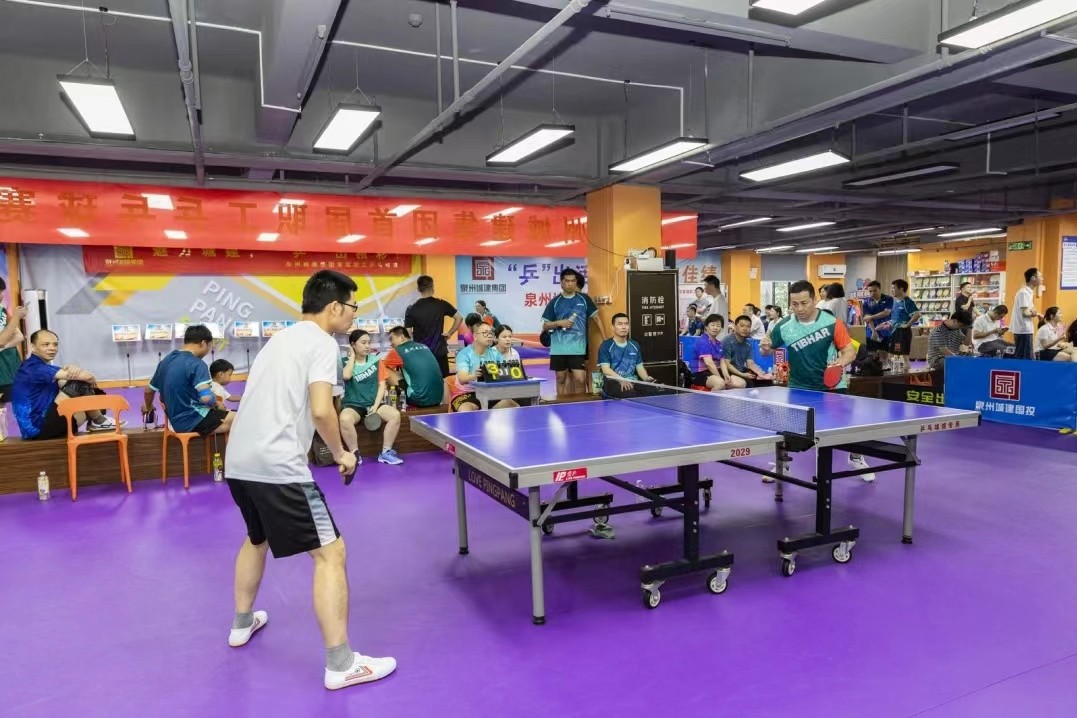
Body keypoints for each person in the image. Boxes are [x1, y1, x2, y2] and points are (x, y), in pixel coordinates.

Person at [223, 270, 395, 691]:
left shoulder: (279, 339)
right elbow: (321, 410)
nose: (354, 315)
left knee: (257, 537)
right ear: (334, 306)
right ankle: (341, 664)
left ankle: (241, 624)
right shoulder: (322, 343)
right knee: (331, 553)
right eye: (353, 307)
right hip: (278, 464)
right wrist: (342, 453)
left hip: (240, 459)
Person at [762, 280, 874, 482]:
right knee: (790, 432)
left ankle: (856, 457)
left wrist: (839, 364)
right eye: (794, 304)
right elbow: (768, 350)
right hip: (799, 387)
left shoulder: (832, 323)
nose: (799, 308)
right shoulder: (784, 325)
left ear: (814, 300)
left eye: (804, 303)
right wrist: (765, 347)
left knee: (847, 427)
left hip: (832, 387)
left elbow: (849, 352)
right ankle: (782, 465)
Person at [10, 329, 123, 440]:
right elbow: (86, 377)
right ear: (33, 347)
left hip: (39, 427)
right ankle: (99, 420)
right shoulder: (34, 368)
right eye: (46, 344)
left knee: (94, 399)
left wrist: (73, 368)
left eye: (55, 344)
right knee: (78, 384)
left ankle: (97, 421)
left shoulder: (38, 366)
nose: (52, 348)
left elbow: (67, 377)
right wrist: (89, 377)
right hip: (39, 428)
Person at [145, 325, 233, 436]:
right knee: (239, 419)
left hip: (174, 424)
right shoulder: (197, 364)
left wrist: (148, 407)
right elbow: (206, 398)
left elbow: (148, 391)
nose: (207, 351)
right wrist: (217, 403)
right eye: (209, 346)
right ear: (203, 343)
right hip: (194, 419)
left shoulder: (166, 361)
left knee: (227, 421)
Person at [339, 329, 404, 466]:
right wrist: (352, 357)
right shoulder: (344, 362)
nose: (367, 346)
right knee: (344, 419)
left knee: (395, 415)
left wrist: (375, 406)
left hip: (374, 403)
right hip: (354, 405)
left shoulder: (376, 361)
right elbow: (346, 376)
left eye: (369, 342)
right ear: (353, 344)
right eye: (363, 343)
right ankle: (355, 454)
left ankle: (386, 452)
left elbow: (382, 385)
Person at [540, 268, 602, 395]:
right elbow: (545, 326)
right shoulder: (555, 302)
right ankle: (561, 404)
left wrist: (605, 338)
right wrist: (559, 323)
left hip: (577, 348)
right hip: (559, 349)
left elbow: (597, 318)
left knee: (580, 378)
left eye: (573, 281)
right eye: (567, 281)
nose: (570, 284)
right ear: (561, 282)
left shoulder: (584, 299)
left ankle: (581, 403)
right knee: (561, 378)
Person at [405, 275, 463, 378]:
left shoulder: (411, 308)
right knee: (444, 381)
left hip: (421, 353)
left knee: (423, 380)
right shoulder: (441, 304)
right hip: (439, 351)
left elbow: (408, 333)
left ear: (418, 289)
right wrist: (450, 333)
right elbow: (459, 318)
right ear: (432, 287)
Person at [452, 322, 517, 412]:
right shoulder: (464, 354)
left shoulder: (495, 354)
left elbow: (503, 374)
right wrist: (474, 376)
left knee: (511, 404)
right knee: (465, 410)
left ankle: (486, 415)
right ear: (475, 336)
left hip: (489, 392)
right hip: (467, 393)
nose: (489, 336)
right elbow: (462, 379)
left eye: (491, 333)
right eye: (485, 333)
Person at [382, 326, 449, 408]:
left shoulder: (397, 350)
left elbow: (380, 369)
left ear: (402, 338)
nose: (391, 343)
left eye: (391, 339)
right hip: (438, 398)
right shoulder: (424, 346)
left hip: (418, 398)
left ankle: (392, 402)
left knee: (383, 369)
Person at [597, 313, 655, 394]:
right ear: (613, 327)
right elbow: (606, 370)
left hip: (633, 381)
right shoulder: (606, 345)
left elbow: (639, 367)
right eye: (620, 324)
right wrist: (621, 380)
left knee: (654, 391)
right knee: (629, 392)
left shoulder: (634, 345)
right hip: (613, 382)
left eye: (626, 324)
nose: (624, 327)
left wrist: (647, 379)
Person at [878, 279, 920, 375]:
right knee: (891, 356)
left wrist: (908, 324)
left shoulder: (907, 302)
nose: (891, 290)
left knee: (904, 358)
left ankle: (905, 377)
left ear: (901, 289)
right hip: (894, 332)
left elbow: (917, 314)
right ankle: (892, 376)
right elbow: (895, 319)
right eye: (891, 288)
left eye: (894, 288)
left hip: (902, 333)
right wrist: (885, 324)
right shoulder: (896, 303)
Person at [723, 315, 770, 388]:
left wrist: (761, 374)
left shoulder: (748, 343)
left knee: (767, 382)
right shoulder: (727, 340)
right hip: (728, 372)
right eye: (742, 326)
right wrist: (743, 375)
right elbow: (727, 364)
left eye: (748, 326)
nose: (745, 329)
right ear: (735, 326)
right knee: (748, 384)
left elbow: (750, 363)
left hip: (741, 370)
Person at [0, 277, 26, 404]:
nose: (1, 296)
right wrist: (16, 317)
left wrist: (3, 348)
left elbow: (19, 336)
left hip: (10, 368)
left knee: (6, 408)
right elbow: (1, 341)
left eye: (2, 292)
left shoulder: (3, 311)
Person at [691, 314, 731, 390]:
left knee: (740, 383)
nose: (715, 328)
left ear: (721, 329)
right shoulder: (703, 341)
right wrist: (720, 378)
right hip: (700, 373)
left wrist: (726, 375)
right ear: (706, 327)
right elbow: (709, 364)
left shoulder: (719, 344)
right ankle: (710, 398)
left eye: (718, 326)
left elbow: (722, 362)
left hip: (714, 371)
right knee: (720, 383)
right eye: (712, 325)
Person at [861, 281, 894, 367]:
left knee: (884, 356)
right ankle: (874, 372)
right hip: (871, 332)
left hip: (885, 332)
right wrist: (873, 332)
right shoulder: (866, 302)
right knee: (872, 356)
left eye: (874, 290)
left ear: (879, 289)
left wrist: (871, 317)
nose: (872, 293)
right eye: (870, 291)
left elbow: (886, 313)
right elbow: (867, 318)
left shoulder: (889, 299)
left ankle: (885, 370)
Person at [1012, 268, 1042, 360]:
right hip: (1023, 330)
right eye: (1040, 276)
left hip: (1026, 329)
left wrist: (1037, 314)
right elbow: (1025, 313)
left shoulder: (1029, 293)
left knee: (1027, 357)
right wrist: (1034, 314)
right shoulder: (1023, 293)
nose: (1042, 278)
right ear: (1033, 278)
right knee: (1024, 358)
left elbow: (1030, 310)